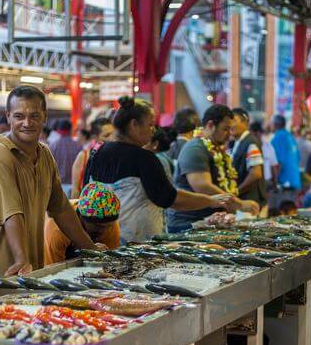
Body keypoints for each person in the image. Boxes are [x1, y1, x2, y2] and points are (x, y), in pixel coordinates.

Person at [0, 86, 101, 276]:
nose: (27, 123)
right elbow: (12, 213)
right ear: (8, 116)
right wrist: (21, 258)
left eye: (34, 116)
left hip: (24, 272)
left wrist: (90, 249)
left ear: (45, 116)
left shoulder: (44, 154)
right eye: (19, 116)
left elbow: (60, 208)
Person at [85, 97, 235, 242]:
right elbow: (171, 199)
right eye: (150, 125)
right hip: (137, 244)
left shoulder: (96, 152)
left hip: (103, 240)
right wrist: (210, 201)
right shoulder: (143, 158)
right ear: (134, 125)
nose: (153, 130)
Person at [168, 105, 258, 233]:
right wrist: (239, 204)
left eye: (230, 129)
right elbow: (203, 186)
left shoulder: (217, 149)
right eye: (225, 129)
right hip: (188, 224)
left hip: (209, 222)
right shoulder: (195, 148)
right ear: (210, 125)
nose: (229, 135)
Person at [44, 183, 121, 265]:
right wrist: (89, 250)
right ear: (81, 218)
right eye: (98, 226)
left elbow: (111, 263)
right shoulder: (58, 230)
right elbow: (52, 272)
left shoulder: (111, 225)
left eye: (108, 226)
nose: (104, 230)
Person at [231, 108, 267, 216]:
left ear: (245, 122)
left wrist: (236, 191)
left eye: (234, 121)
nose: (230, 125)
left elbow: (256, 173)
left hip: (251, 203)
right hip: (245, 201)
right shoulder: (239, 142)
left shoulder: (250, 142)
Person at [71, 117, 114, 197]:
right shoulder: (84, 156)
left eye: (113, 134)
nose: (112, 139)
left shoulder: (118, 156)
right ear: (95, 138)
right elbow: (75, 189)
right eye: (107, 135)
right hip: (89, 207)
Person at [269, 114, 301, 191]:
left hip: (285, 183)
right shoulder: (291, 137)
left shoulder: (277, 138)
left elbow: (278, 162)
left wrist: (275, 184)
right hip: (295, 180)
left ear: (275, 125)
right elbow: (298, 158)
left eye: (271, 123)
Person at [48, 119, 82, 188]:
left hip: (57, 185)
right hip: (73, 184)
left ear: (58, 130)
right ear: (70, 130)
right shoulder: (78, 146)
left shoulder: (53, 145)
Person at [250, 121, 279, 188]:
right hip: (253, 182)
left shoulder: (268, 146)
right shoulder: (249, 146)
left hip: (266, 182)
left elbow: (274, 166)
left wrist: (275, 184)